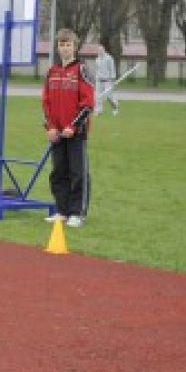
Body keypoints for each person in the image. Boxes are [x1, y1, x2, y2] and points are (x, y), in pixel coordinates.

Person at [42, 28, 95, 228]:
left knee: (78, 173)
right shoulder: (52, 72)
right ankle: (62, 211)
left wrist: (73, 126)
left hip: (76, 133)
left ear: (75, 47)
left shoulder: (81, 70)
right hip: (56, 134)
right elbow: (46, 103)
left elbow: (88, 103)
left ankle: (77, 213)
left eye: (68, 45)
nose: (64, 48)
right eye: (61, 45)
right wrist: (50, 127)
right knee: (58, 173)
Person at [94, 42, 120, 115]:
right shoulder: (97, 59)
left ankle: (115, 109)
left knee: (109, 96)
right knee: (98, 96)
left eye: (101, 50)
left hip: (107, 81)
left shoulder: (109, 58)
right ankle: (98, 110)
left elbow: (112, 69)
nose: (100, 52)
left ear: (104, 50)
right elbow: (97, 70)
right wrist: (96, 79)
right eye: (98, 51)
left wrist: (112, 80)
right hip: (99, 80)